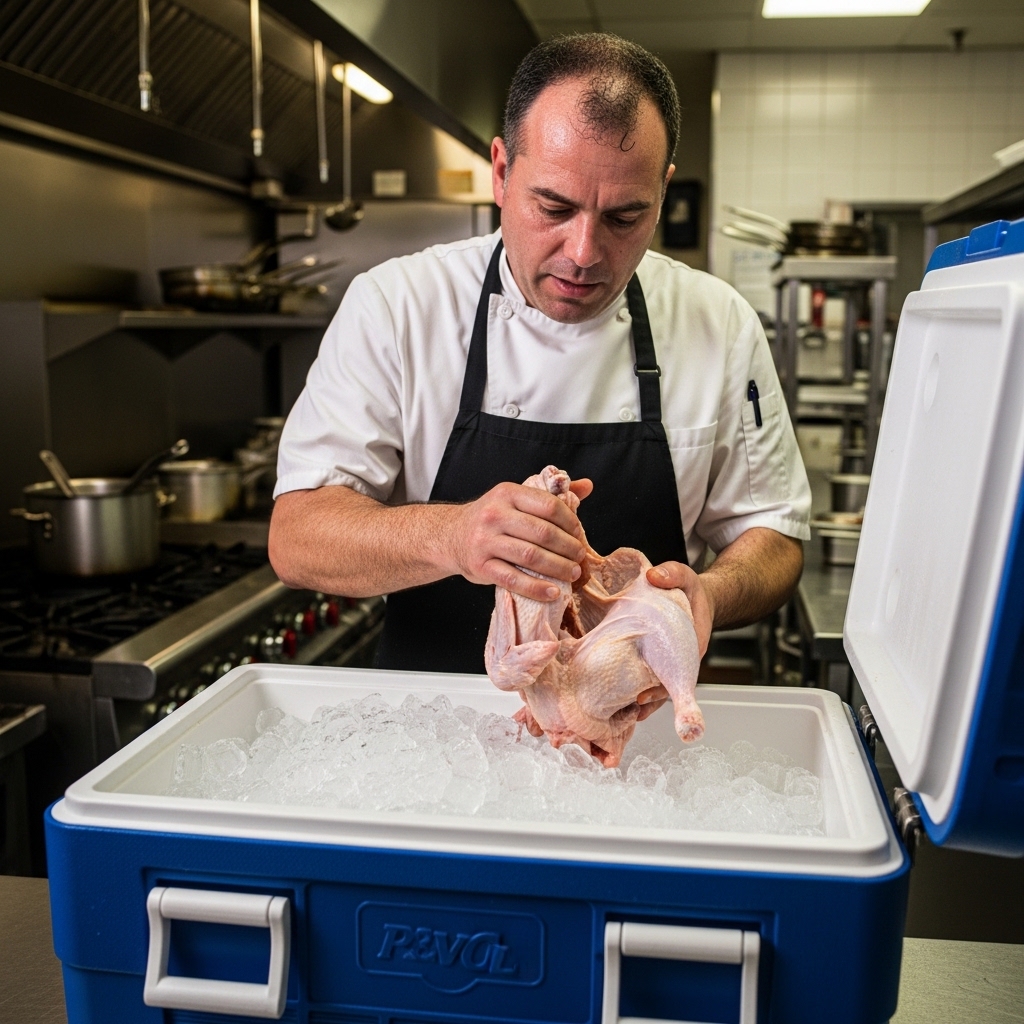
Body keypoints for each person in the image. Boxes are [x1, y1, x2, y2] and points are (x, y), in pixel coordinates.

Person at [269, 33, 810, 689]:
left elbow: (773, 534)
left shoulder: (716, 321)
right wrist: (455, 536)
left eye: (625, 217)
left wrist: (712, 596)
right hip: (432, 739)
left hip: (638, 738)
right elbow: (297, 537)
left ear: (663, 192)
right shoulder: (398, 305)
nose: (583, 252)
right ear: (500, 171)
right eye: (554, 206)